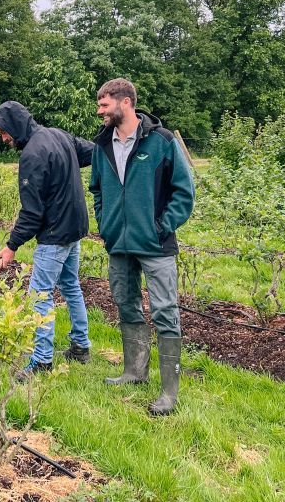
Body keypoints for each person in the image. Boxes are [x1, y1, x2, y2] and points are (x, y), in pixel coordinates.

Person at [89, 78, 195, 416]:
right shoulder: (102, 145)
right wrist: (106, 224)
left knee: (165, 311)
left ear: (125, 102)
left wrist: (161, 227)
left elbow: (184, 191)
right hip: (118, 243)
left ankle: (169, 392)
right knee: (126, 303)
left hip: (154, 244)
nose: (100, 111)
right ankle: (134, 372)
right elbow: (97, 190)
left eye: (104, 104)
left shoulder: (161, 141)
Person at [0, 101, 94, 380]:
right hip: (75, 228)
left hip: (55, 234)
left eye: (3, 132)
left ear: (14, 125)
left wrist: (11, 245)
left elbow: (32, 213)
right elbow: (93, 152)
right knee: (70, 285)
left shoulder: (32, 155)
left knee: (40, 295)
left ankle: (42, 360)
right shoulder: (58, 135)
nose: (4, 138)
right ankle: (81, 346)